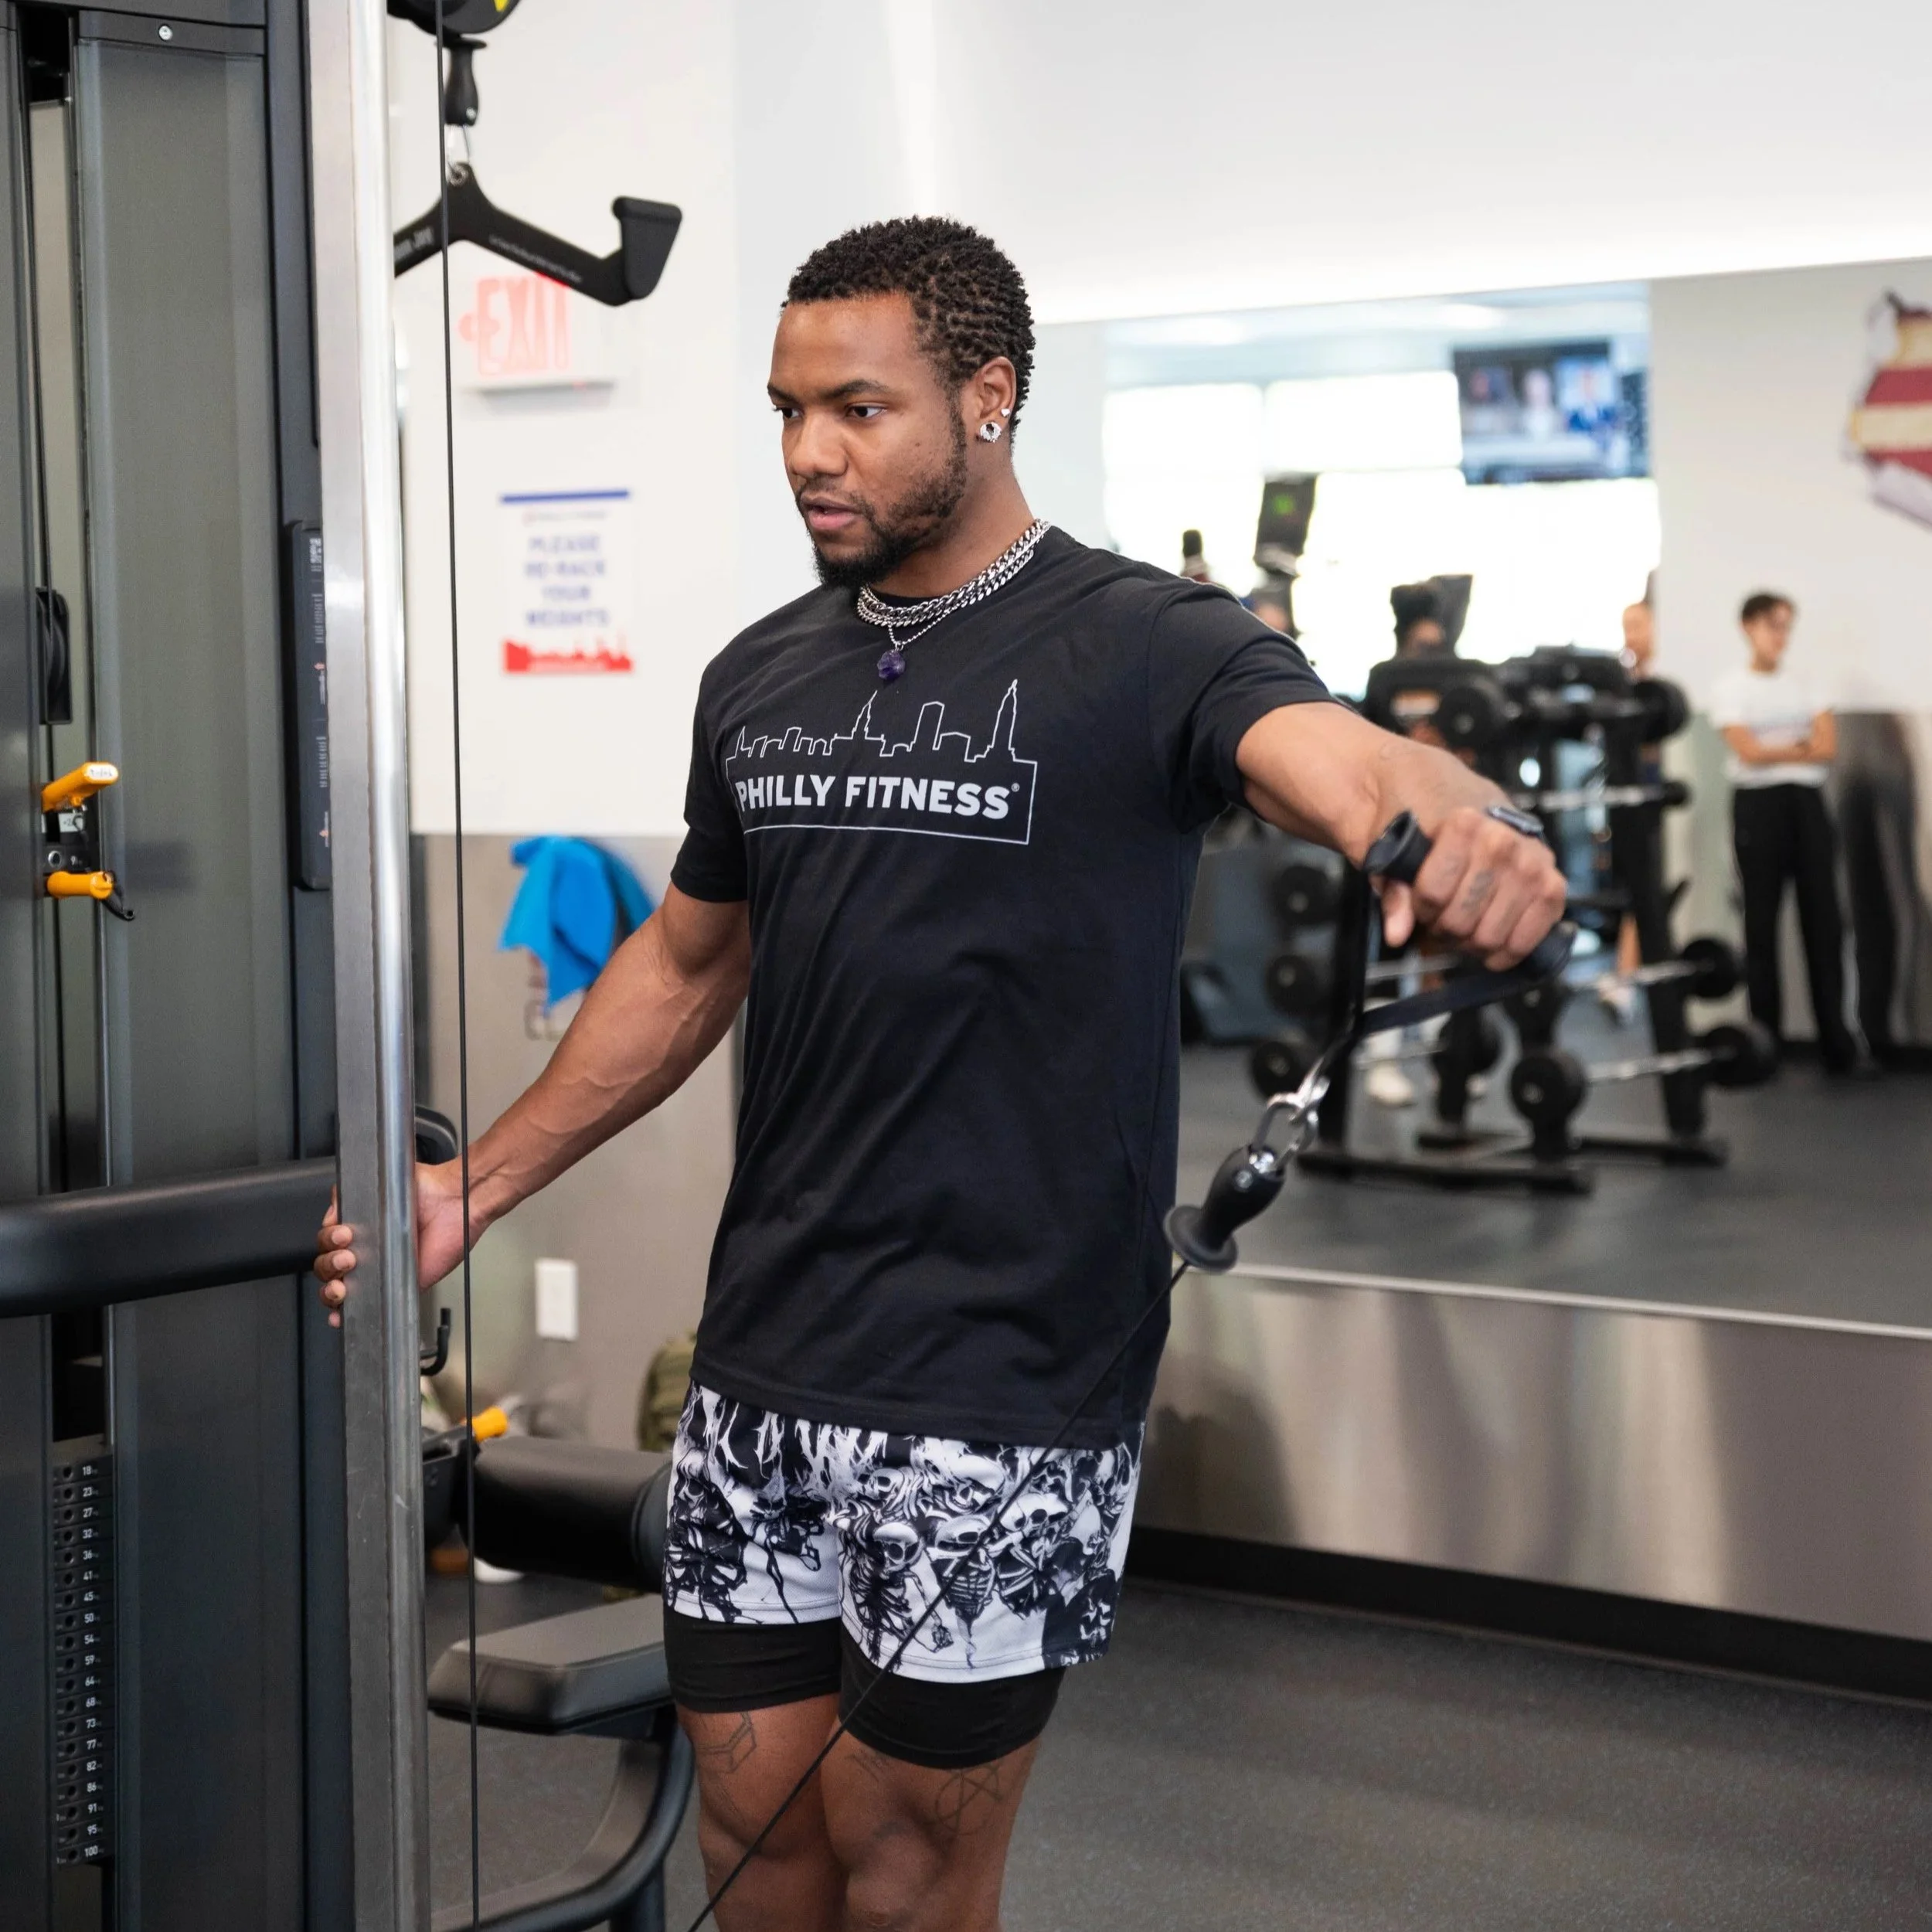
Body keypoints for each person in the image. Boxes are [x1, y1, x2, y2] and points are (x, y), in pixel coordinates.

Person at [315, 217, 1566, 1932]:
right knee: (756, 1846)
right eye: (784, 409)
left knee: (907, 1868)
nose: (808, 453)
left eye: (856, 407)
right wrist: (472, 1189)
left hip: (1003, 1382)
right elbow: (684, 964)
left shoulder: (1146, 639)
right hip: (767, 1353)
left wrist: (1441, 810)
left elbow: (1329, 751)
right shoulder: (761, 671)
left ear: (986, 398)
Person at [1710, 592, 1863, 1074]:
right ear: (1749, 627)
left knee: (1824, 923)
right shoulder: (1730, 688)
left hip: (1807, 807)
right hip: (1759, 808)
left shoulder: (1806, 682)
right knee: (1761, 923)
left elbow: (1826, 746)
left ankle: (1837, 1042)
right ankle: (1765, 1043)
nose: (1781, 636)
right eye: (1773, 625)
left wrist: (1778, 748)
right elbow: (1747, 753)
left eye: (1786, 626)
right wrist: (1798, 746)